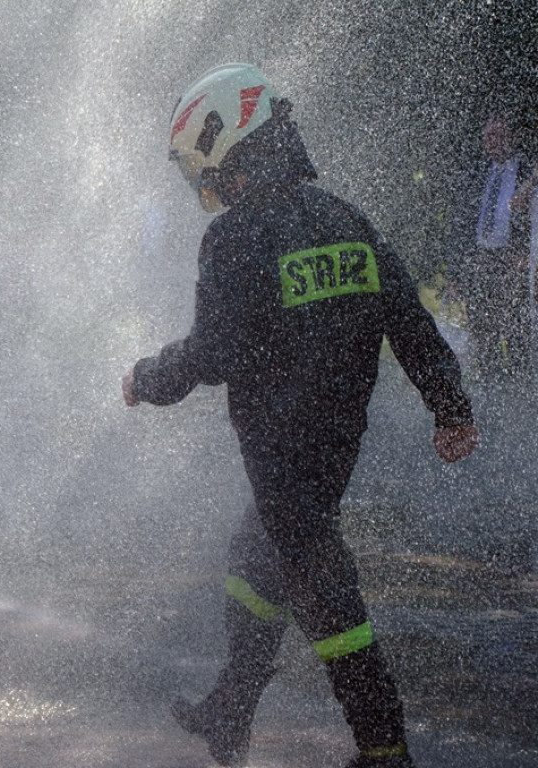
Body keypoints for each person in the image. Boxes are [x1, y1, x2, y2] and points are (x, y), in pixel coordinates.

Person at [121, 64, 479, 768]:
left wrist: (145, 378)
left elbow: (212, 351)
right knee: (255, 554)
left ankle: (384, 751)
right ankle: (231, 708)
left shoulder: (235, 237)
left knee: (325, 596)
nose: (206, 180)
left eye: (203, 162)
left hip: (280, 452)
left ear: (228, 137)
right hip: (334, 446)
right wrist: (450, 408)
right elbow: (410, 321)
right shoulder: (346, 220)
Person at [447, 113, 535, 380]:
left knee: (518, 336)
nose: (492, 143)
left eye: (498, 136)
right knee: (484, 336)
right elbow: (460, 224)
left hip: (514, 262)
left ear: (513, 138)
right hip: (480, 263)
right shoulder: (475, 174)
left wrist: (530, 256)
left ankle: (521, 393)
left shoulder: (528, 172)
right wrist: (453, 274)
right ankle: (488, 389)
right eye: (488, 137)